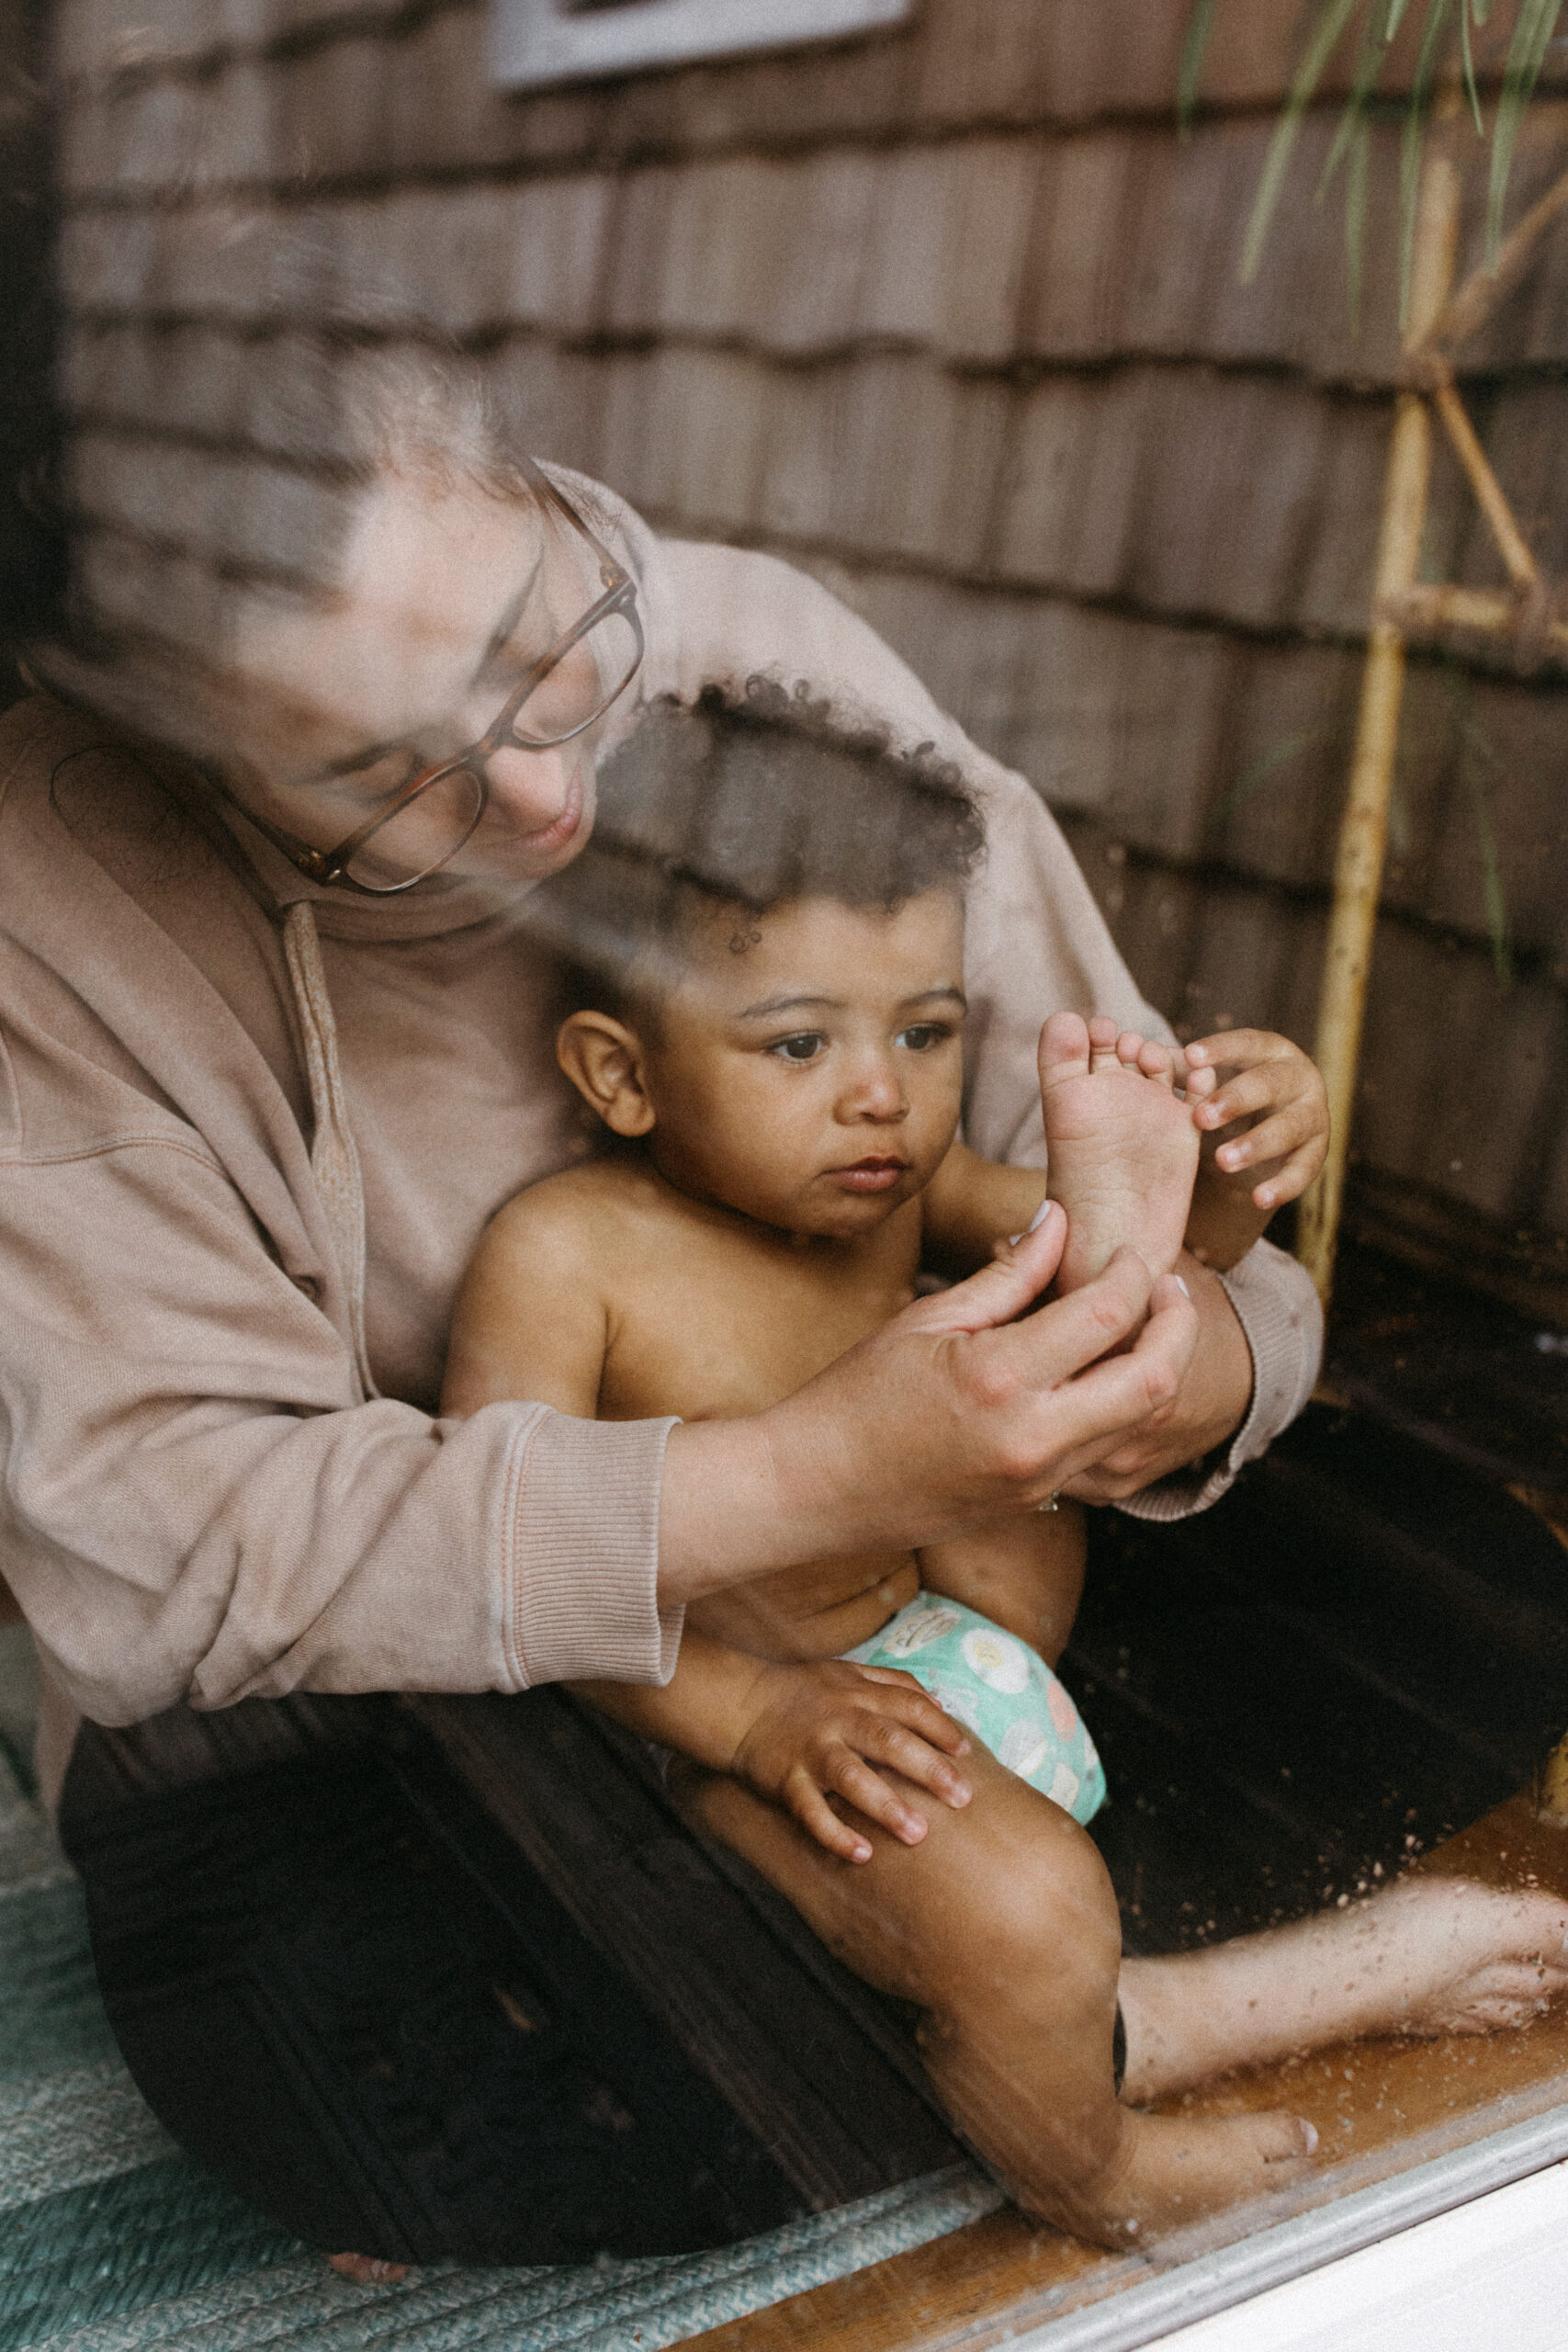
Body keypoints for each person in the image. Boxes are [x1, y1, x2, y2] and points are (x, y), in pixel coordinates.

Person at [1, 333, 1325, 2265]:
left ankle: (1024, 2007)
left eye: (542, 647)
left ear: (533, 474)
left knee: (1433, 1602)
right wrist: (808, 1481)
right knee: (358, 2061)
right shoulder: (53, 891)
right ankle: (1121, 2014)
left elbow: (1190, 1244)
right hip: (459, 1681)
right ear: (173, 738)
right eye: (380, 771)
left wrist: (1168, 1350)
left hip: (939, 1620)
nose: (546, 796)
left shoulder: (753, 654)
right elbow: (176, 1556)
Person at [442, 684, 1568, 2246]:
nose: (880, 1093)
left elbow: (1147, 1292)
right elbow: (495, 1570)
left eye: (926, 1029)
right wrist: (758, 1716)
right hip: (746, 1748)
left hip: (970, 1677)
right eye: (796, 1042)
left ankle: (1074, 2016)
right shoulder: (569, 1259)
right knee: (1030, 1927)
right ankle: (1086, 2161)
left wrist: (1225, 1180)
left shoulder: (905, 1186)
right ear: (621, 1073)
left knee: (1152, 1376)